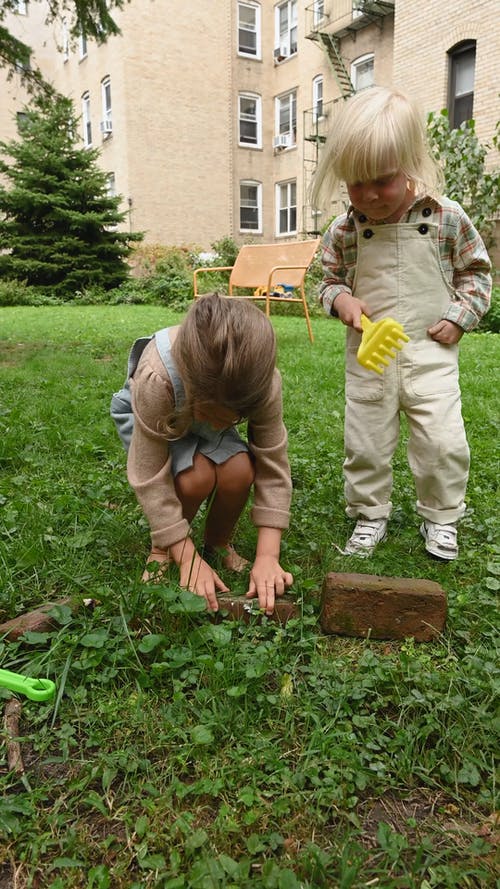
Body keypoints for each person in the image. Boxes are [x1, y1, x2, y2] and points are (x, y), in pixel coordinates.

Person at [311, 86, 491, 560]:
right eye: (355, 182)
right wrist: (342, 301)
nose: (368, 195)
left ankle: (442, 517)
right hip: (369, 356)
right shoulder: (345, 230)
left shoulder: (446, 218)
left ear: (410, 164)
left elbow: (476, 274)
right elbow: (327, 282)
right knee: (365, 441)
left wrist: (459, 317)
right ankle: (369, 514)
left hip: (429, 351)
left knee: (442, 440)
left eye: (383, 181)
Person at [125, 292, 293, 613]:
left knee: (240, 470)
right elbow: (148, 472)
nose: (225, 422)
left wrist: (268, 556)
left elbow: (272, 462)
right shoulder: (156, 376)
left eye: (232, 417)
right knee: (194, 478)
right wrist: (185, 558)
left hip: (197, 411)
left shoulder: (263, 384)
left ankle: (217, 542)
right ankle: (164, 548)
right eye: (214, 411)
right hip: (165, 418)